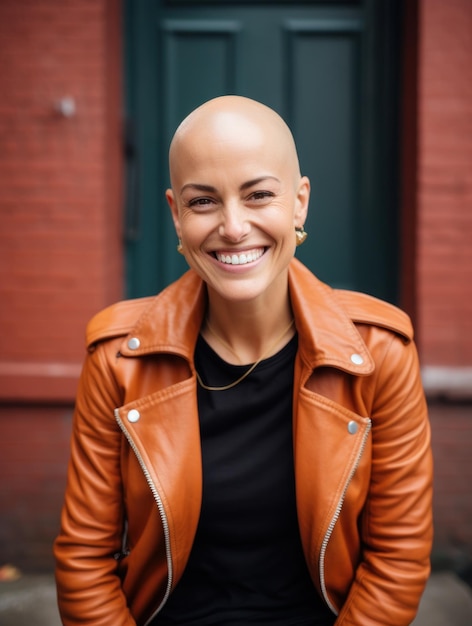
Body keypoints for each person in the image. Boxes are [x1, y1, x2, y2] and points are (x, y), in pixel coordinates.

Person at [54, 95, 433, 625]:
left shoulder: (379, 354)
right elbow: (84, 561)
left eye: (258, 195)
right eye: (203, 201)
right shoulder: (118, 359)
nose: (233, 227)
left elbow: (397, 560)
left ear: (299, 202)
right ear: (175, 215)